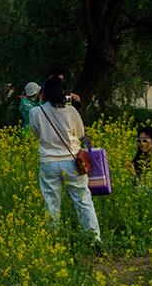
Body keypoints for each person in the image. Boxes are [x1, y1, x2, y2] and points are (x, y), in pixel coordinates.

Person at [28, 75, 101, 245]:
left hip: (48, 162)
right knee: (83, 200)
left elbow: (36, 134)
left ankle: (53, 241)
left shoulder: (35, 112)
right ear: (63, 93)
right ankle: (94, 239)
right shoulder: (71, 111)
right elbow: (81, 133)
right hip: (72, 162)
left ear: (43, 93)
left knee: (51, 203)